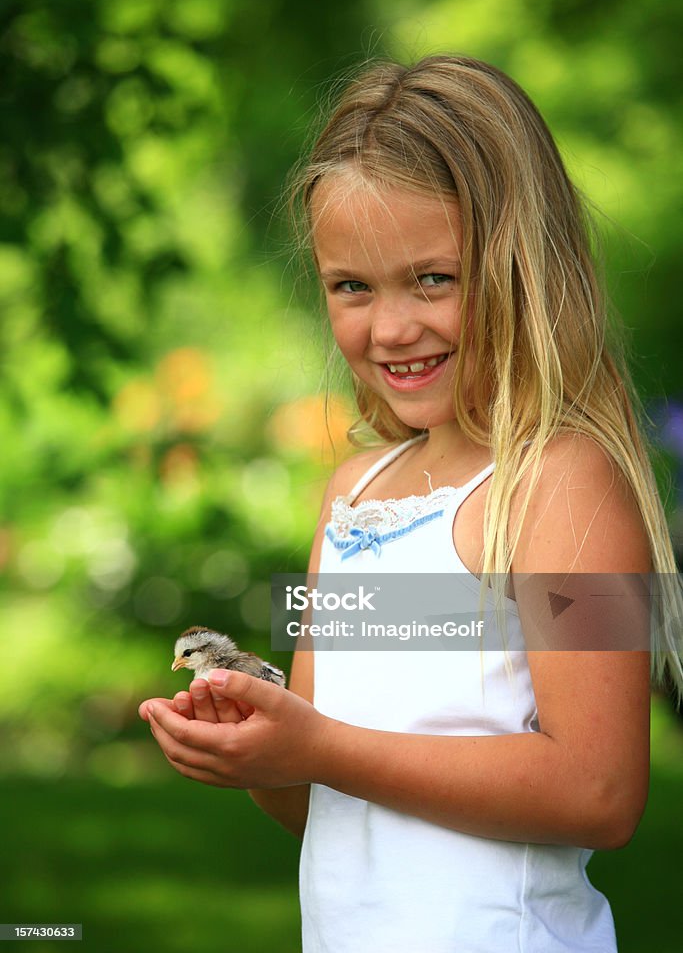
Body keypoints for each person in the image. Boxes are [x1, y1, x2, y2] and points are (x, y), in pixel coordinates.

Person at [139, 55, 683, 952]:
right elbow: (321, 798)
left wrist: (317, 749)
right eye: (352, 286)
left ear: (523, 266)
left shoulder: (571, 483)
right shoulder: (350, 499)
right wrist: (258, 750)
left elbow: (602, 794)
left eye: (432, 278)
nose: (390, 329)